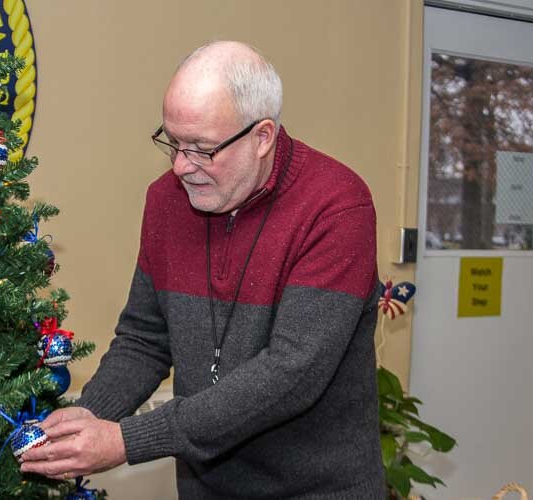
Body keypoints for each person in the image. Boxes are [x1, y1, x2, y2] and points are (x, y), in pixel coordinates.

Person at [21, 40, 385, 499]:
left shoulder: (336, 207)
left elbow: (292, 374)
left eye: (201, 148)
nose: (180, 166)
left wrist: (125, 442)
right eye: (172, 142)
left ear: (262, 137)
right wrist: (92, 417)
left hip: (319, 488)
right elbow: (144, 338)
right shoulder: (166, 200)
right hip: (206, 487)